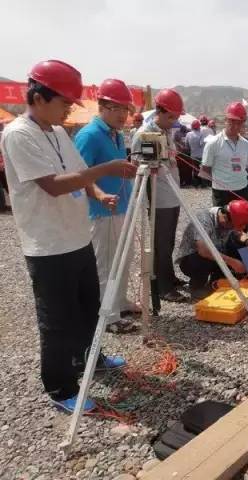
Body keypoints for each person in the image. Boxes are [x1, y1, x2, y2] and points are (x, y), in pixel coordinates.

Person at [0, 60, 137, 413]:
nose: (67, 111)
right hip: (48, 245)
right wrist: (107, 170)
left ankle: (90, 357)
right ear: (39, 97)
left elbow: (77, 173)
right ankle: (60, 388)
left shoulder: (58, 133)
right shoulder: (18, 134)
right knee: (57, 319)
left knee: (89, 306)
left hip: (76, 238)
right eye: (64, 104)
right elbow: (53, 185)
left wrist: (96, 191)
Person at [74, 78, 141, 334]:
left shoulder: (116, 134)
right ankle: (108, 316)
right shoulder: (89, 135)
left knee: (124, 258)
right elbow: (79, 175)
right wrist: (100, 195)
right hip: (101, 211)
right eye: (119, 108)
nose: (124, 115)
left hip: (121, 206)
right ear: (102, 105)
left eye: (126, 109)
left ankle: (120, 301)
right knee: (106, 263)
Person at [131, 88, 187, 302]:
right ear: (160, 112)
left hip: (171, 195)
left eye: (176, 117)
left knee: (169, 241)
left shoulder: (167, 133)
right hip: (158, 198)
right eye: (171, 117)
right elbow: (138, 167)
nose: (174, 121)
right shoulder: (143, 134)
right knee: (160, 244)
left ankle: (169, 276)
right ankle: (163, 288)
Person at [201, 102, 248, 242]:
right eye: (231, 121)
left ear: (243, 123)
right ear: (225, 120)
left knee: (246, 227)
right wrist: (223, 180)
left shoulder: (245, 144)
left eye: (239, 123)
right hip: (222, 193)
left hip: (243, 190)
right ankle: (225, 261)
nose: (235, 126)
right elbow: (205, 169)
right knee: (223, 229)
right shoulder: (213, 143)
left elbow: (245, 166)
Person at [175, 200, 248, 300]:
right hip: (192, 260)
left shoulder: (230, 218)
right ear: (225, 218)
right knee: (203, 257)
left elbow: (240, 233)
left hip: (218, 253)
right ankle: (197, 287)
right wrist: (233, 262)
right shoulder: (203, 220)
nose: (237, 228)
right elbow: (203, 251)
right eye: (234, 225)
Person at [185, 119, 205, 187]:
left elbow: (186, 145)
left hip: (193, 155)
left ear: (192, 127)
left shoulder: (188, 134)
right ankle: (203, 184)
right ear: (199, 127)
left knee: (195, 170)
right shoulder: (202, 134)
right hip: (202, 155)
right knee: (202, 170)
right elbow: (202, 144)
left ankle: (196, 184)